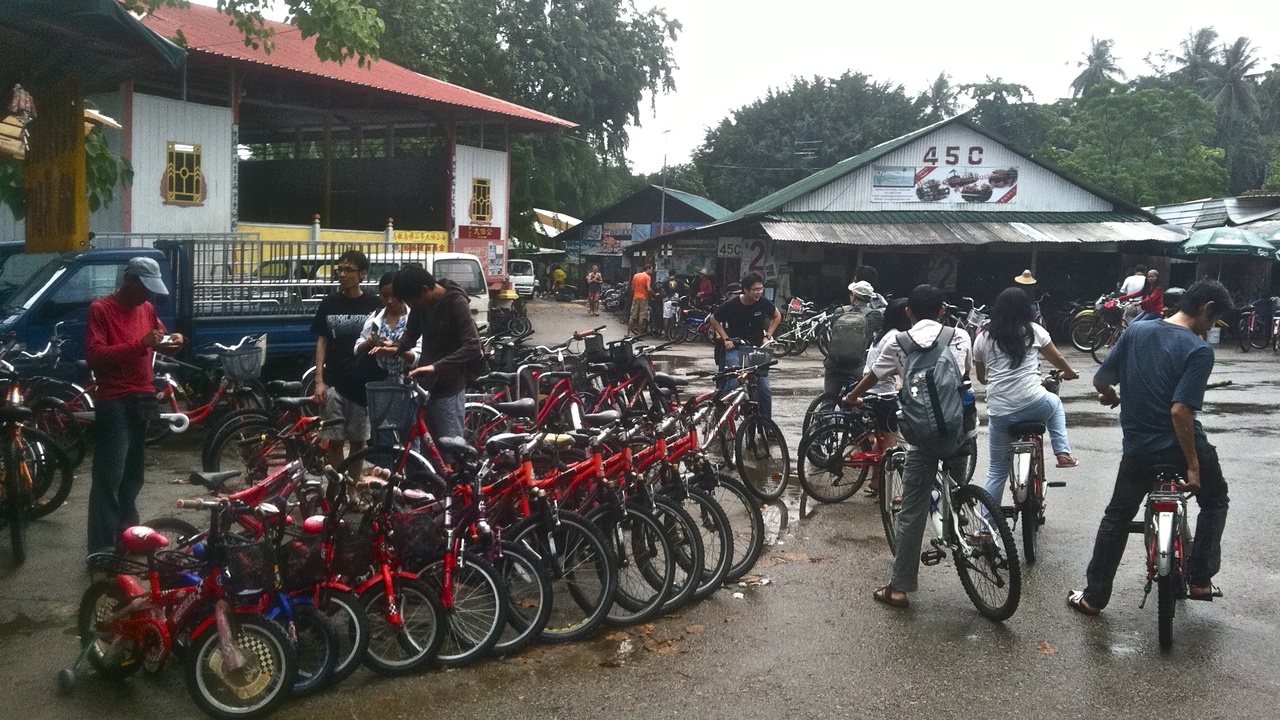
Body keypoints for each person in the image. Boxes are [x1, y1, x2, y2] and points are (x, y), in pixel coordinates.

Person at [1068, 280, 1233, 616]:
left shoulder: (1137, 332)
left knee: (1116, 518)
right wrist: (1193, 465)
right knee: (1215, 501)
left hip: (1139, 451)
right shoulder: (1199, 350)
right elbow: (1180, 411)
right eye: (1214, 321)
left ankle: (1093, 598)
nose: (1211, 328)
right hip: (1181, 446)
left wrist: (1110, 396)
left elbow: (1101, 380)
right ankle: (1200, 579)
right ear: (1207, 308)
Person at [842, 284, 973, 610]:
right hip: (961, 430)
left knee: (913, 508)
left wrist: (852, 396)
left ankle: (899, 589)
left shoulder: (897, 342)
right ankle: (966, 522)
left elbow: (873, 377)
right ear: (942, 310)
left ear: (908, 313)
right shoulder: (961, 337)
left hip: (922, 436)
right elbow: (965, 376)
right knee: (957, 486)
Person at [85, 257, 185, 554]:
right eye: (144, 288)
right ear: (129, 281)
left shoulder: (147, 309)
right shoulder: (100, 310)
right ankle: (101, 549)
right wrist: (140, 344)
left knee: (133, 475)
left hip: (142, 395)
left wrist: (173, 341)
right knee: (110, 476)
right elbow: (95, 355)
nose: (149, 296)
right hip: (114, 398)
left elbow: (159, 339)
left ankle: (127, 536)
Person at [974, 287, 1080, 509]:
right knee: (1055, 403)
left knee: (996, 471)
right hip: (1035, 403)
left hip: (1000, 412)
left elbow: (982, 378)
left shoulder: (983, 336)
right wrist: (1069, 373)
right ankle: (1063, 453)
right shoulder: (1034, 331)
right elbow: (1058, 357)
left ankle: (984, 528)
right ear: (1026, 309)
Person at [394, 265, 483, 457]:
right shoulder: (421, 304)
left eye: (412, 301)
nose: (412, 307)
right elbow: (411, 333)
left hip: (449, 387)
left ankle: (455, 487)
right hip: (427, 388)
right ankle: (432, 487)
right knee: (429, 451)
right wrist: (396, 347)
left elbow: (473, 346)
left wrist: (436, 366)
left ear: (425, 289)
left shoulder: (456, 302)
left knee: (451, 451)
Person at [311, 250, 382, 472]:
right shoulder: (329, 303)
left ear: (362, 274)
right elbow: (322, 342)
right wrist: (319, 381)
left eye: (348, 270)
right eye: (339, 269)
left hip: (361, 385)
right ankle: (337, 489)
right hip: (334, 383)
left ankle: (352, 489)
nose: (342, 274)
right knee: (334, 441)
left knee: (359, 442)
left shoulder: (374, 304)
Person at [858, 298, 911, 496]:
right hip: (883, 396)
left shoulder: (881, 335)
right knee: (891, 446)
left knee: (878, 440)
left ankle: (875, 481)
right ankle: (889, 492)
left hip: (870, 393)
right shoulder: (897, 337)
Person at [709, 273, 781, 418]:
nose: (759, 292)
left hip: (756, 350)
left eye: (761, 289)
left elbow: (777, 316)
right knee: (734, 383)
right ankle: (723, 418)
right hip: (735, 349)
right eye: (755, 289)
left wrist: (767, 336)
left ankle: (767, 425)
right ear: (745, 290)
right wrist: (726, 339)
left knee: (764, 389)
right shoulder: (732, 305)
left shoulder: (763, 302)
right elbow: (714, 319)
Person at [822, 280, 883, 397]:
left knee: (828, 398)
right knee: (858, 400)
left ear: (854, 296)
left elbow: (832, 330)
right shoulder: (875, 315)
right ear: (869, 298)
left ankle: (823, 412)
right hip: (857, 366)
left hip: (833, 363)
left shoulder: (839, 311)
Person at [355, 272, 422, 377]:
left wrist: (397, 351)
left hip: (408, 383)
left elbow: (418, 356)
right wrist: (368, 342)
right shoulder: (375, 317)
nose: (389, 301)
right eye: (385, 296)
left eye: (394, 296)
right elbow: (357, 348)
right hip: (378, 383)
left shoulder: (414, 318)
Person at [628, 263, 654, 336]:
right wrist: (654, 294)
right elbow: (648, 289)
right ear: (648, 269)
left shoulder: (636, 276)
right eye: (651, 270)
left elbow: (632, 287)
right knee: (641, 316)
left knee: (632, 316)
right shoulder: (647, 277)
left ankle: (628, 333)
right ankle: (639, 334)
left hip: (636, 297)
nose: (652, 272)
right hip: (644, 298)